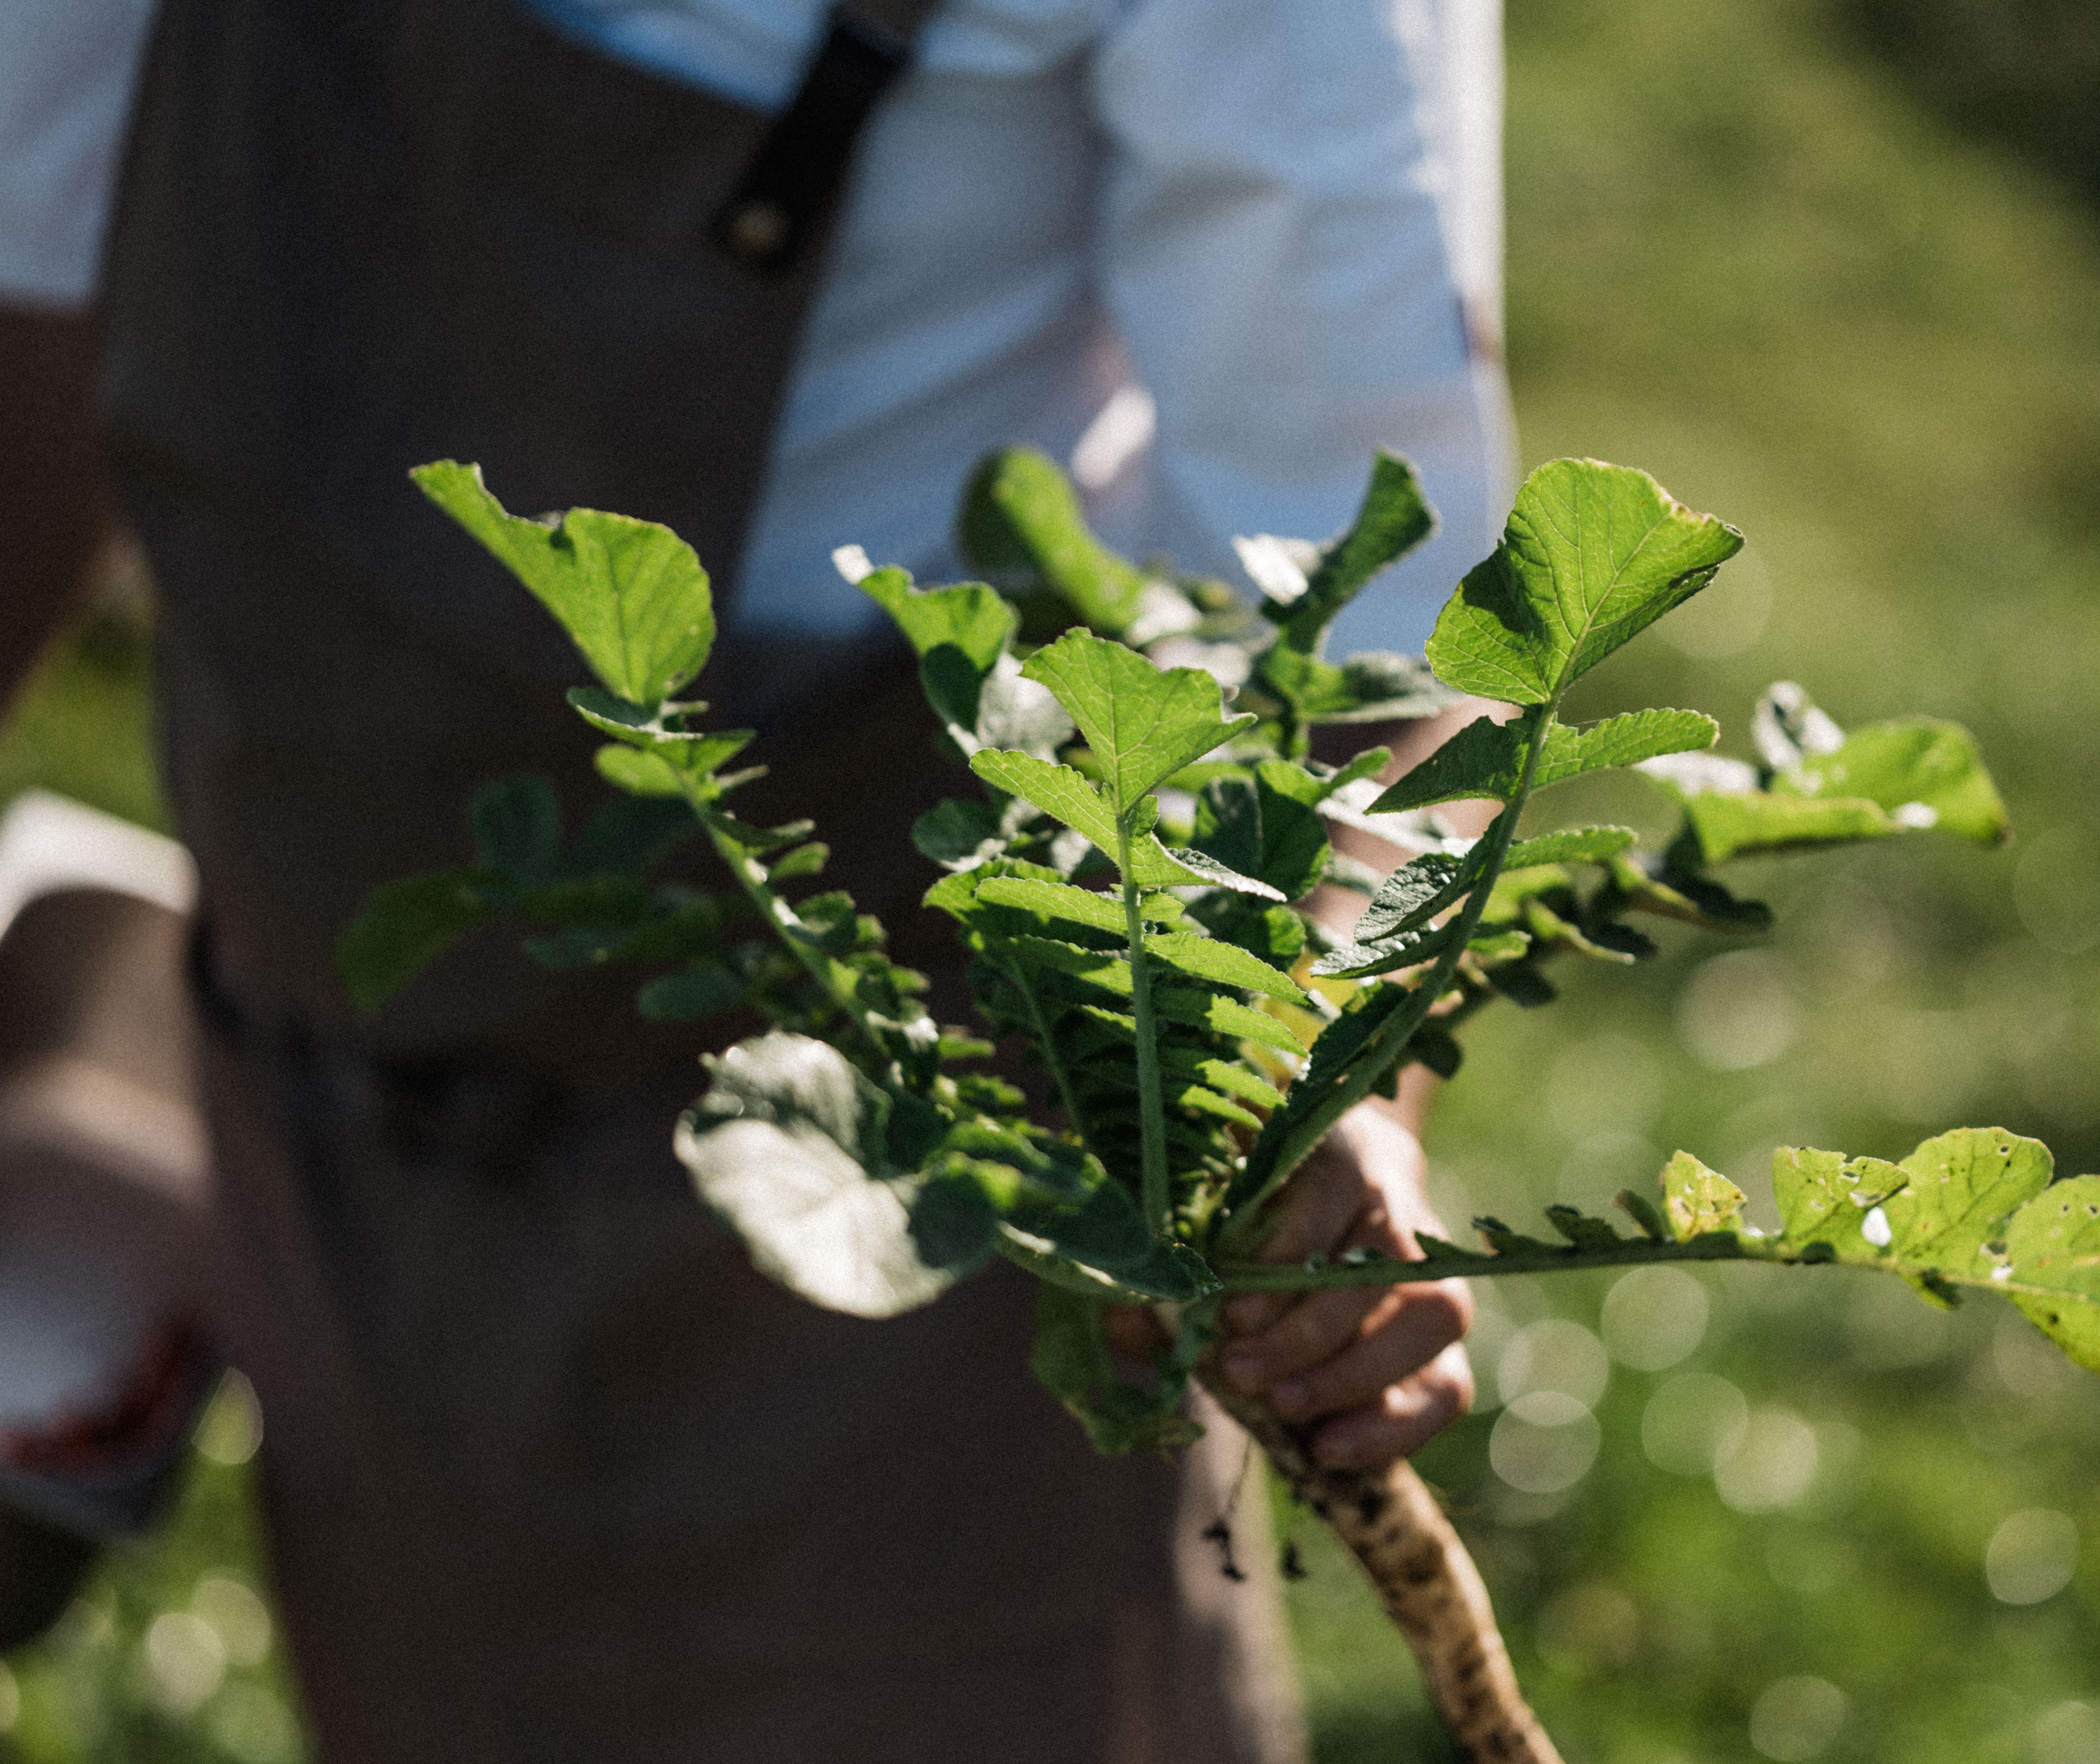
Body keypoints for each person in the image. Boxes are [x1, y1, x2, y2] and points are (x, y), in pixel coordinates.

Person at [0, 0, 1513, 1755]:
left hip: (903, 1223)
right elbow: (30, 298)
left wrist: (1313, 1055)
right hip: (333, 1102)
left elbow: (1373, 613)